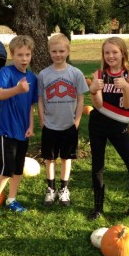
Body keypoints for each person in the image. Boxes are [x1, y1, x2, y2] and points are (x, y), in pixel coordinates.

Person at [88, 36, 129, 226]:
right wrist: (93, 91)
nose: (111, 56)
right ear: (103, 55)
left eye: (115, 52)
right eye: (107, 52)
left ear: (123, 53)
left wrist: (126, 88)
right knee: (98, 166)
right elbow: (97, 105)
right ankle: (98, 207)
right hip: (97, 125)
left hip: (119, 127)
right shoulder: (99, 74)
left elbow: (128, 104)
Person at [0, 35, 38, 225]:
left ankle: (11, 199)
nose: (24, 58)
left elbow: (30, 105)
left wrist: (31, 125)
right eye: (20, 55)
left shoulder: (32, 78)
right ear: (12, 55)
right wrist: (17, 89)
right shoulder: (5, 72)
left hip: (23, 129)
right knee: (7, 169)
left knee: (18, 168)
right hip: (6, 128)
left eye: (27, 54)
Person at [37, 33, 89, 207]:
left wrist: (77, 121)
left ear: (68, 51)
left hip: (69, 125)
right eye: (54, 51)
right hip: (50, 125)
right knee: (49, 159)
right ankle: (50, 190)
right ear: (49, 52)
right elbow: (40, 99)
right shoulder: (44, 75)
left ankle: (64, 189)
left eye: (61, 51)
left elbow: (81, 99)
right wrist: (42, 120)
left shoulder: (76, 73)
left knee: (67, 158)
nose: (58, 54)